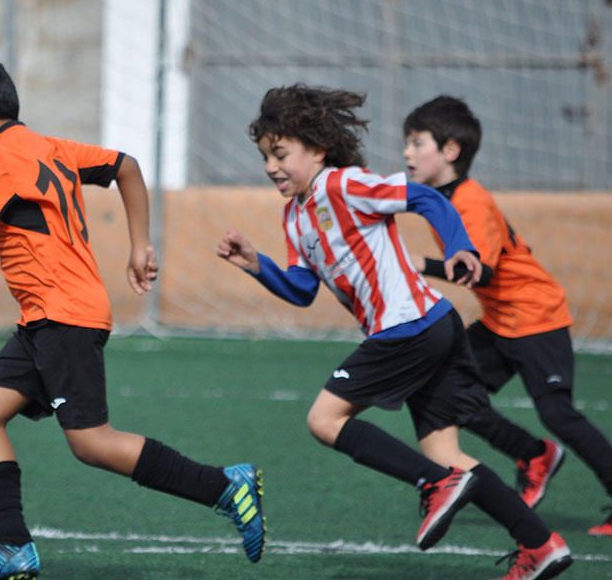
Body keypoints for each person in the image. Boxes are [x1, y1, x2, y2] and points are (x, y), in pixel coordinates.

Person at [0, 57, 265, 580]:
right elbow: (126, 166)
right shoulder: (50, 148)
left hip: (63, 316)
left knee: (91, 442)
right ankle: (11, 547)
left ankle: (224, 486)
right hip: (47, 318)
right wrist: (140, 244)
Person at [216, 84, 572, 579]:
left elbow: (424, 196)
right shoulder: (294, 216)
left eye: (281, 153)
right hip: (432, 326)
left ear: (316, 150)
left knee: (324, 420)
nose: (271, 166)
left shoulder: (345, 184)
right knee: (445, 452)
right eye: (265, 157)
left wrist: (458, 246)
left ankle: (432, 484)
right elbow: (301, 288)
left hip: (407, 327)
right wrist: (258, 265)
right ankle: (540, 543)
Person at [403, 95, 612, 537]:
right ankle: (533, 454)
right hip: (500, 322)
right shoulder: (438, 198)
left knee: (558, 414)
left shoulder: (471, 201)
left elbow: (481, 270)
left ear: (451, 151)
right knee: (448, 391)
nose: (407, 152)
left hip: (537, 317)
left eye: (417, 142)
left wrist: (418, 264)